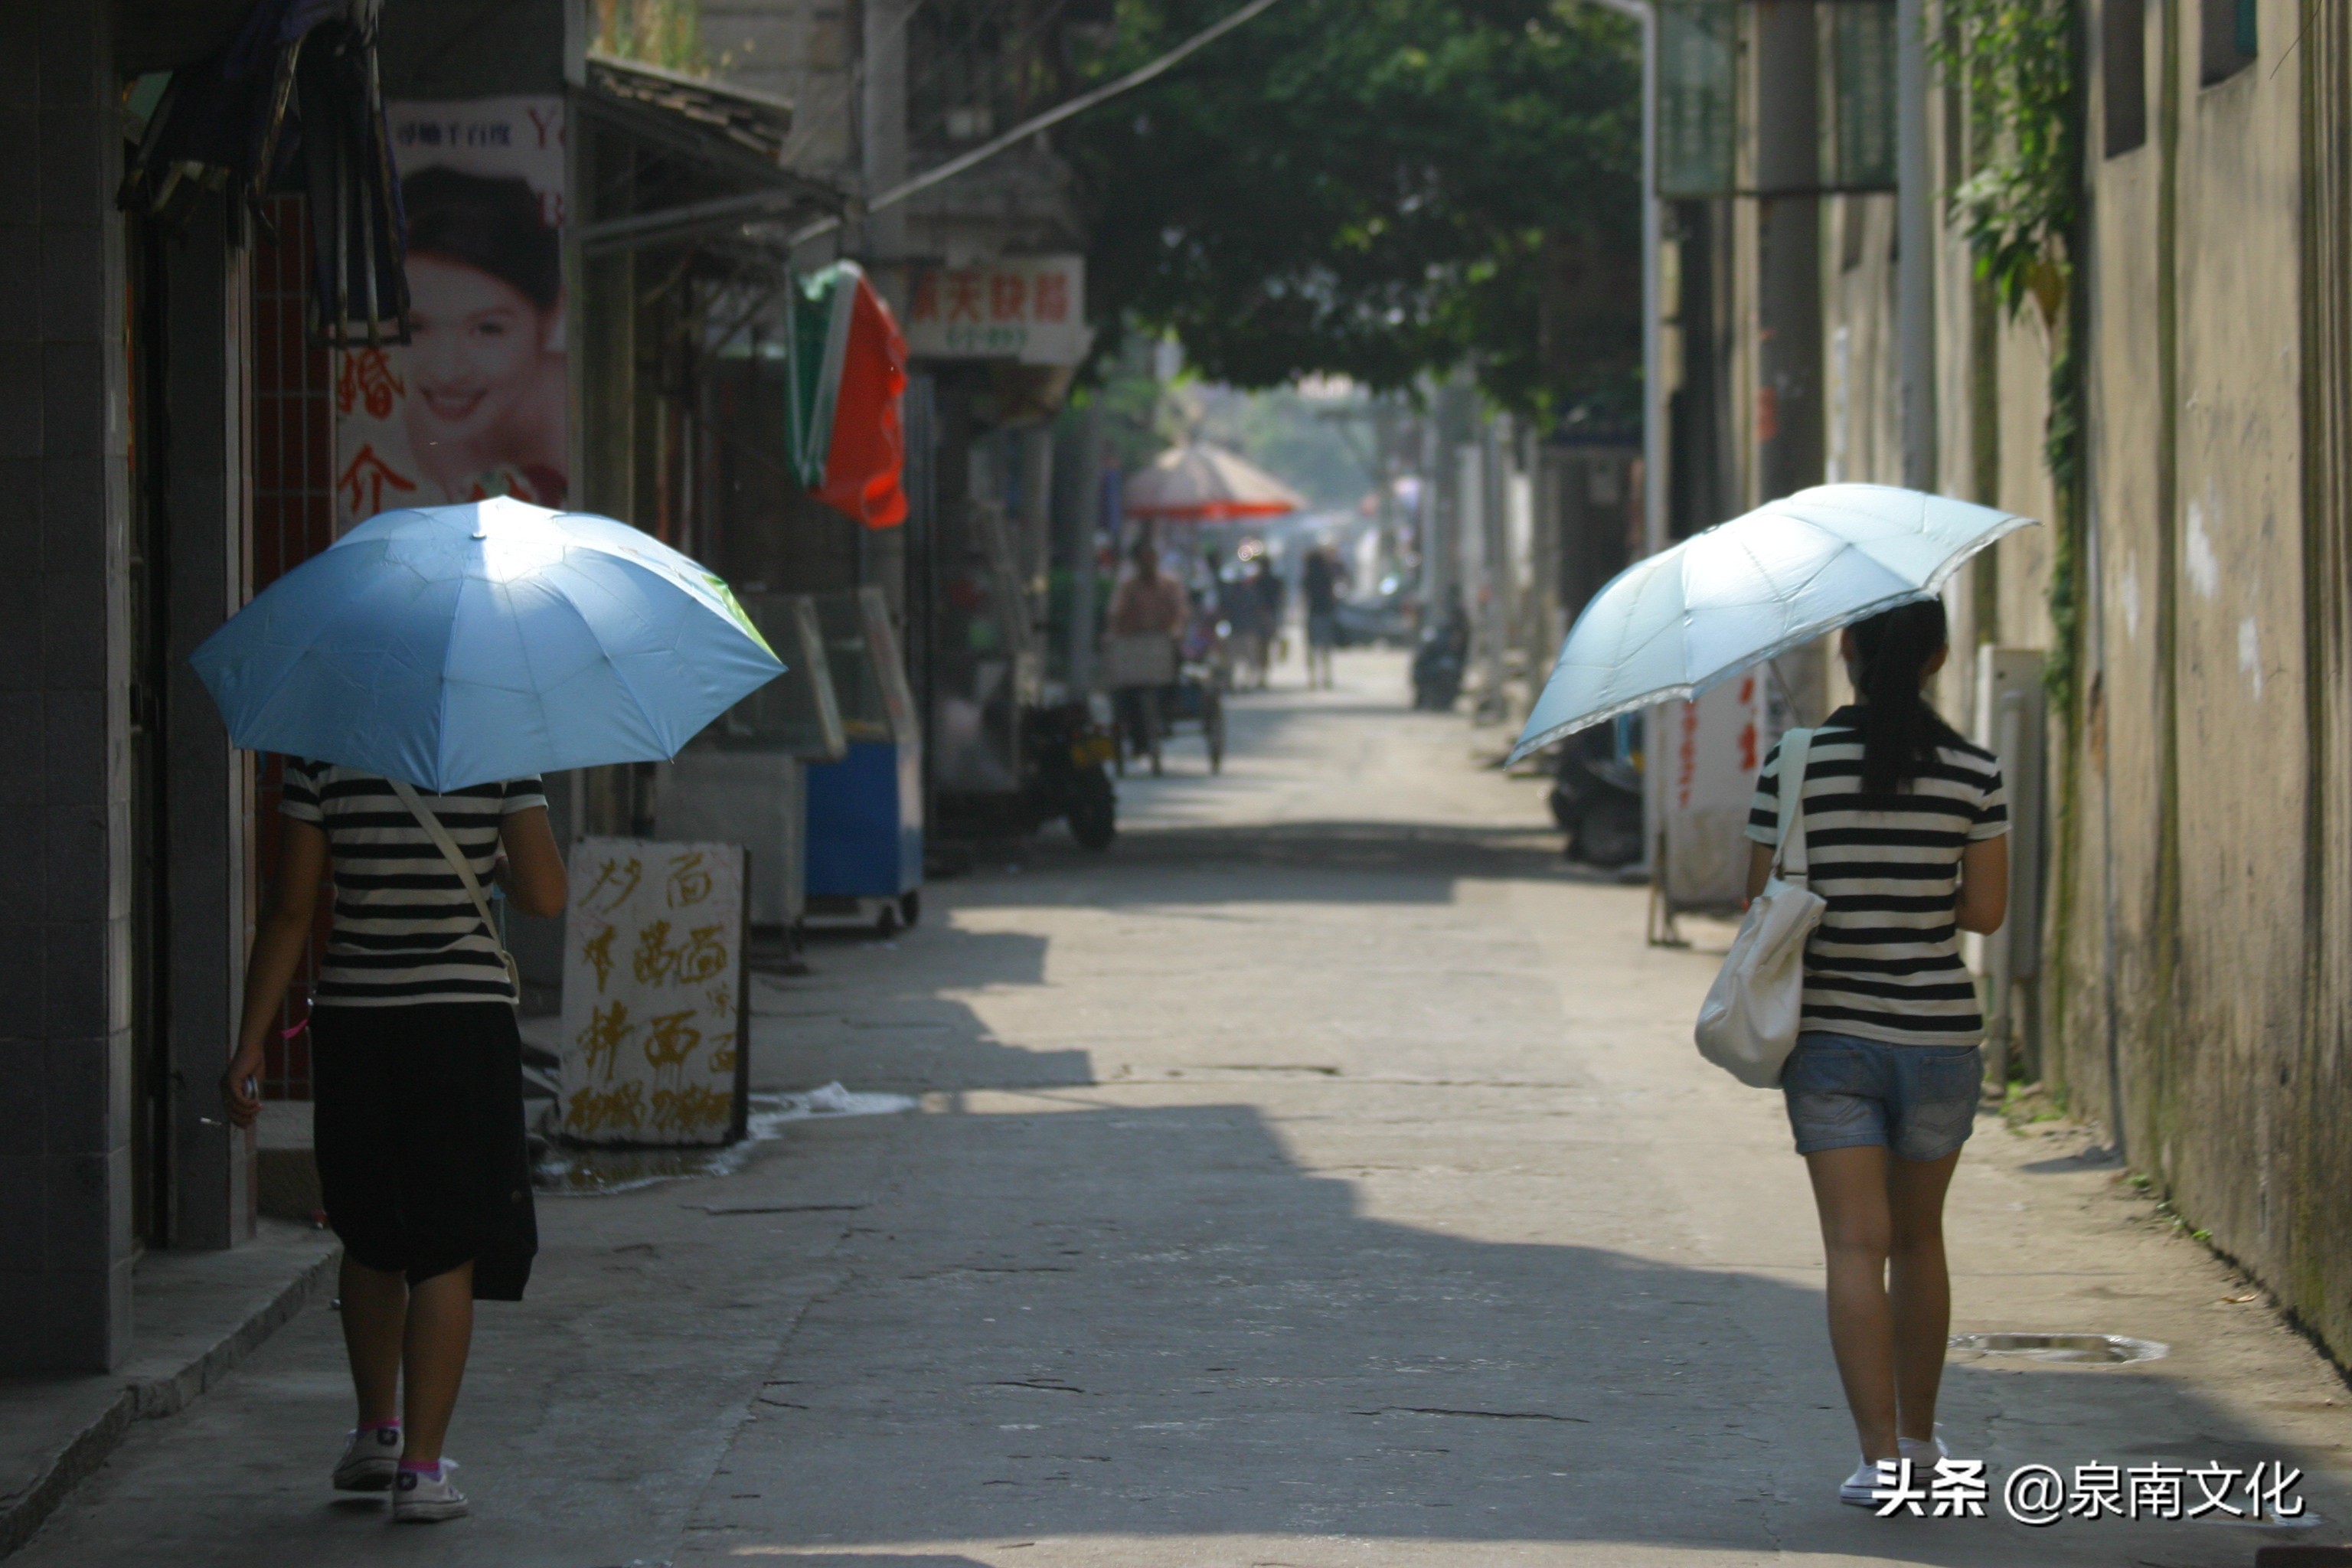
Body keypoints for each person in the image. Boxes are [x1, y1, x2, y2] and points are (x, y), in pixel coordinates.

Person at [220, 762, 568, 1524]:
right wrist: (495, 862)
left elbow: (288, 909)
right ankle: (420, 1469)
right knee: (446, 1243)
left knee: (371, 1227)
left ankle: (377, 1431)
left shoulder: (323, 748)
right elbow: (546, 894)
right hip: (461, 1021)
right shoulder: (498, 748)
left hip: (356, 1019)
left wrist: (251, 1040)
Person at [1743, 599, 2008, 1508]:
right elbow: (1984, 912)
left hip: (1832, 1038)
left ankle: (1879, 1457)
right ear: (1937, 657)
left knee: (1856, 1245)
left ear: (1845, 649)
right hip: (1938, 1035)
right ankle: (1928, 1439)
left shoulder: (1795, 762)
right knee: (1920, 1239)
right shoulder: (1976, 771)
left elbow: (1762, 900)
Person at [400, 167, 569, 508]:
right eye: (416, 327)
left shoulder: (580, 428)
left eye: (487, 329)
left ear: (550, 317)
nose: (447, 372)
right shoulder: (396, 424)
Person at [1103, 537, 1188, 775]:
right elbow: (1115, 615)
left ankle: (1169, 713)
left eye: (1152, 559)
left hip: (1162, 647)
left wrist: (1176, 632)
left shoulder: (1170, 586)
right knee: (1124, 694)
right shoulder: (1127, 588)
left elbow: (1180, 614)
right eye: (1144, 559)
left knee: (1174, 676)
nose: (1148, 564)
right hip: (1134, 650)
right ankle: (1135, 735)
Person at [1301, 541, 1345, 689]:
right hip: (1326, 612)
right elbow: (1333, 595)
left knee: (1312, 648)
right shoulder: (1327, 576)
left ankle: (1312, 678)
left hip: (1313, 613)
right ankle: (1326, 677)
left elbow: (1304, 597)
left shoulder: (1308, 578)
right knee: (1326, 648)